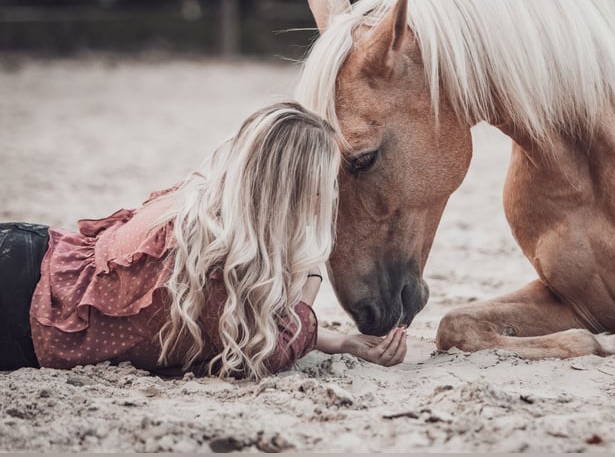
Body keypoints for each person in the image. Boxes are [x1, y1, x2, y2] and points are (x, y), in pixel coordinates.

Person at [0, 101, 407, 380]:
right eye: (324, 185)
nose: (331, 197)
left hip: (33, 253)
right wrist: (314, 273)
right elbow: (270, 348)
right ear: (295, 193)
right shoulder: (216, 262)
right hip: (21, 312)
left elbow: (249, 318)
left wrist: (342, 343)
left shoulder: (210, 208)